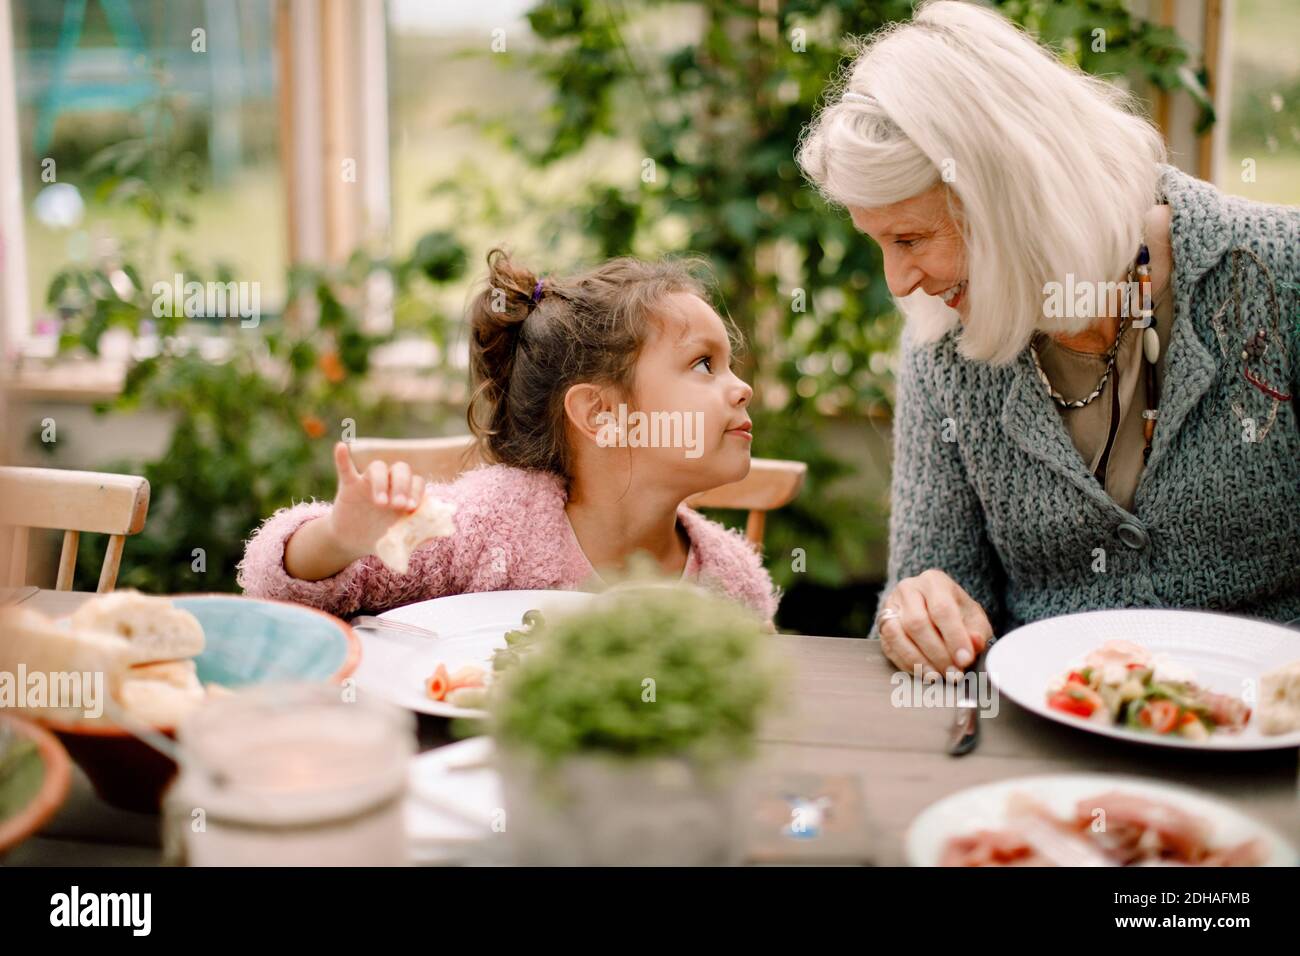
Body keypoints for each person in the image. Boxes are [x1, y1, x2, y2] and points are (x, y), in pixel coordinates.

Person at [797, 0, 1299, 678]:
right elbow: (933, 589)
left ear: (1010, 199)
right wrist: (918, 615)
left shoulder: (1279, 274)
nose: (899, 282)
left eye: (910, 238)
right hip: (1046, 738)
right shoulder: (942, 342)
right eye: (879, 243)